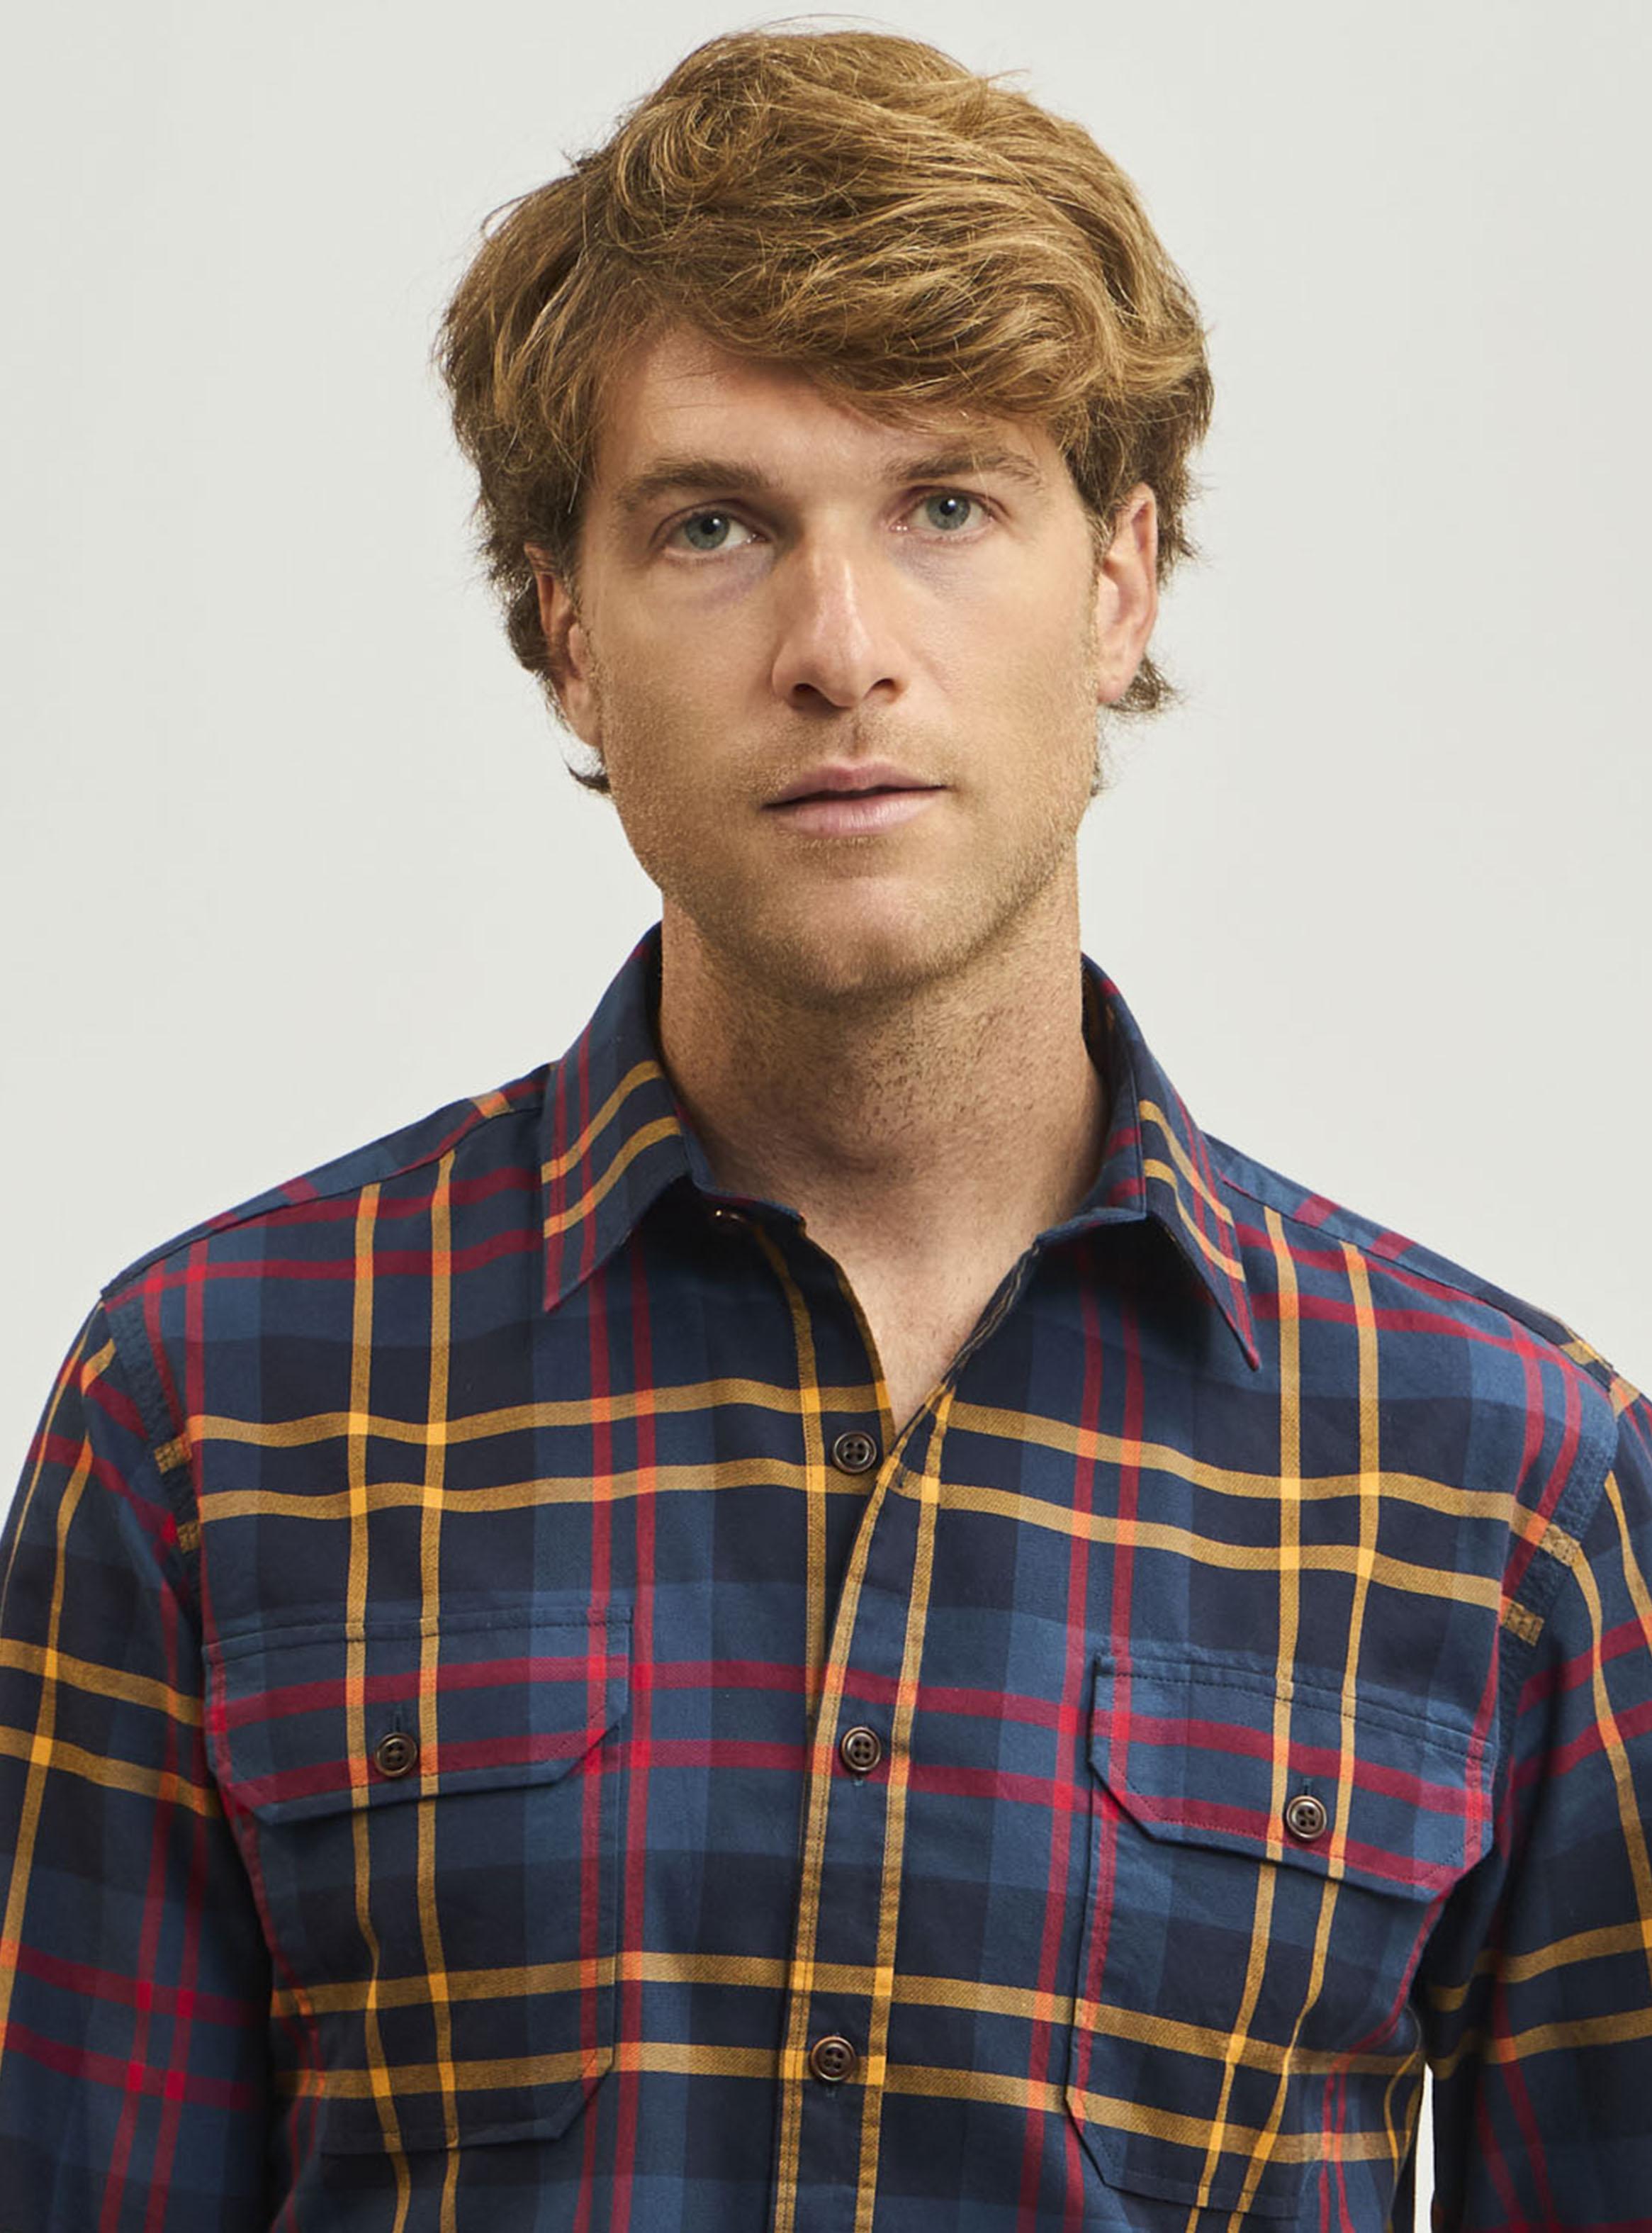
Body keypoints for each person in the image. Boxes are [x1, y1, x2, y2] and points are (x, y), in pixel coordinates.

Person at [2, 23, 1648, 2229]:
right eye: (714, 525)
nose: (839, 646)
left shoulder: (1507, 1481)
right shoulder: (214, 1406)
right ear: (563, 631)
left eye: (947, 505)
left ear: (1119, 580)